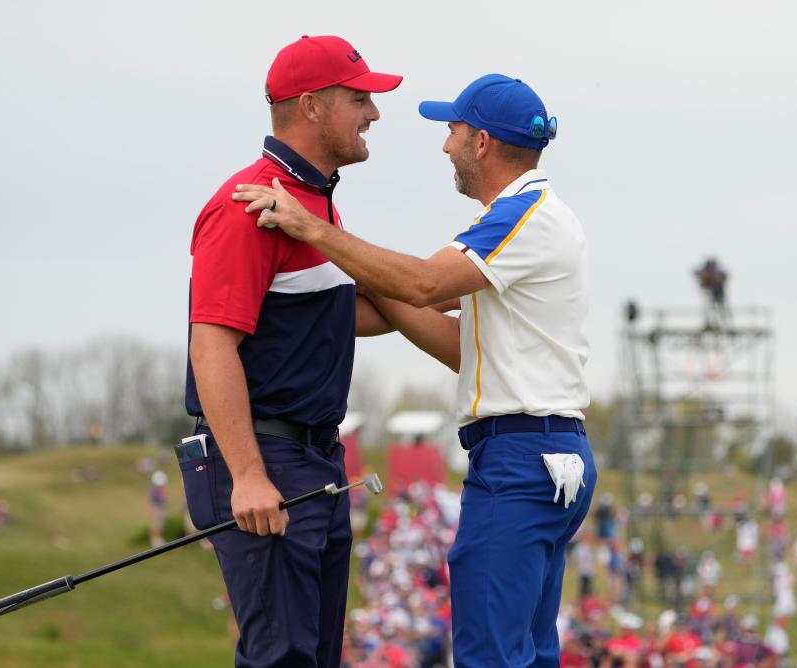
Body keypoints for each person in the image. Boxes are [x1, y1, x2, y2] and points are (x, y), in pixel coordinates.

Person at [234, 73, 596, 667]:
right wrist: (320, 303)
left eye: (452, 130)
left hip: (519, 458)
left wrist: (311, 229)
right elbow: (450, 336)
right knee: (525, 653)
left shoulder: (522, 215)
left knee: (490, 656)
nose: (444, 145)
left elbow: (422, 283)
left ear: (481, 142)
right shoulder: (524, 217)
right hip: (541, 449)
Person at [184, 35, 402, 667]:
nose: (374, 114)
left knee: (313, 656)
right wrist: (249, 474)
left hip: (317, 458)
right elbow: (212, 344)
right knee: (283, 658)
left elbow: (337, 317)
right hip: (265, 456)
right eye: (360, 98)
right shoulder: (247, 204)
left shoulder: (313, 202)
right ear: (312, 107)